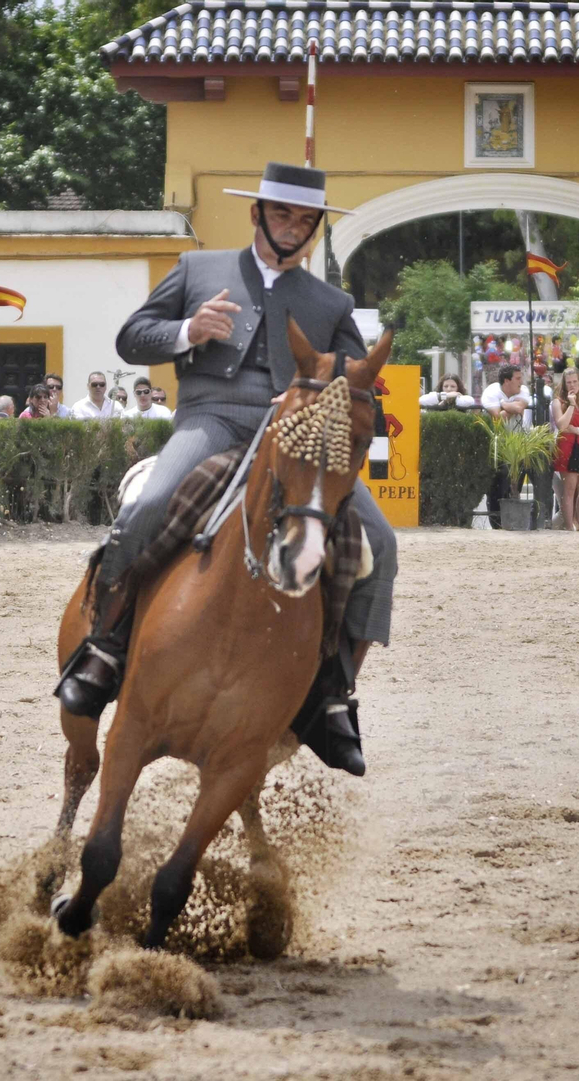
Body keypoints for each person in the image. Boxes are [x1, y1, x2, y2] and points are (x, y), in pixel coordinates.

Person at [54, 162, 396, 778]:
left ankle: (335, 692)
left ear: (316, 228)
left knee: (381, 542)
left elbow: (356, 380)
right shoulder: (196, 269)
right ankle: (103, 648)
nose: (294, 227)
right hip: (208, 421)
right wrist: (187, 329)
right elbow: (132, 338)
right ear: (257, 214)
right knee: (147, 507)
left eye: (306, 219)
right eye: (284, 214)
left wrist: (311, 397)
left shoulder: (331, 301)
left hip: (292, 437)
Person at [480, 363, 531, 528]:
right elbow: (497, 419)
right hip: (498, 447)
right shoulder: (491, 392)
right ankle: (496, 525)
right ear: (506, 381)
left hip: (518, 448)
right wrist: (511, 408)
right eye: (517, 378)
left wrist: (503, 405)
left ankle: (512, 523)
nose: (521, 382)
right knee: (496, 489)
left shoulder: (522, 390)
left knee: (514, 486)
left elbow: (519, 407)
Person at [551, 368, 579, 531]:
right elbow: (562, 425)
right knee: (569, 490)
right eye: (569, 382)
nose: (572, 385)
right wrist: (571, 404)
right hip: (567, 447)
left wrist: (578, 430)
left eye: (575, 381)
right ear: (564, 384)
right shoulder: (558, 402)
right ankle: (569, 526)